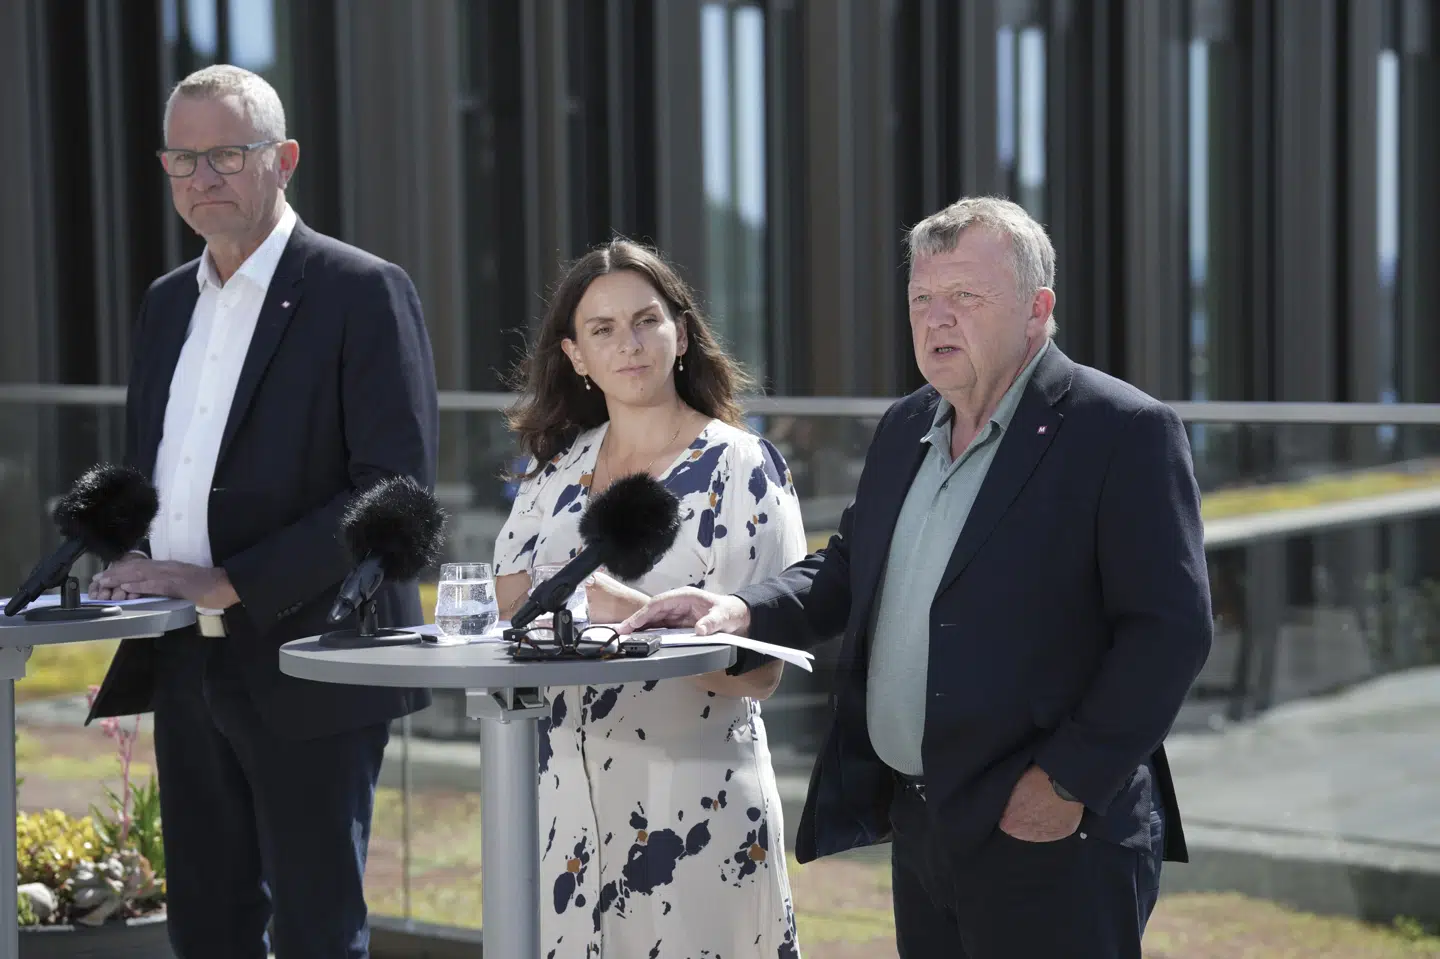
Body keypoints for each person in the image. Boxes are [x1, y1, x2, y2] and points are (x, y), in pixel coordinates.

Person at [622, 196, 1214, 958]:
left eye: (965, 297)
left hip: (1052, 834)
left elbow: (1170, 632)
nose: (937, 319)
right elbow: (846, 571)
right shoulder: (907, 426)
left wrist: (1065, 783)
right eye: (922, 299)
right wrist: (738, 608)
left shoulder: (1122, 431)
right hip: (924, 823)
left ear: (1038, 310)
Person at [85, 64, 439, 957]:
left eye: (227, 156)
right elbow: (157, 467)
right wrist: (117, 550)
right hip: (182, 663)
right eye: (182, 160)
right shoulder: (168, 303)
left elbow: (394, 491)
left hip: (313, 661)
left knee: (318, 932)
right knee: (207, 927)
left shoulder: (361, 290)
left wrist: (229, 580)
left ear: (282, 159)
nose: (202, 179)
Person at [494, 238, 806, 958]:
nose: (627, 344)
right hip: (561, 814)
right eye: (601, 329)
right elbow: (509, 603)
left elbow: (760, 672)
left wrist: (623, 612)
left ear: (682, 333)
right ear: (575, 354)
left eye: (646, 320)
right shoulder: (554, 470)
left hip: (693, 814)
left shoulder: (742, 467)